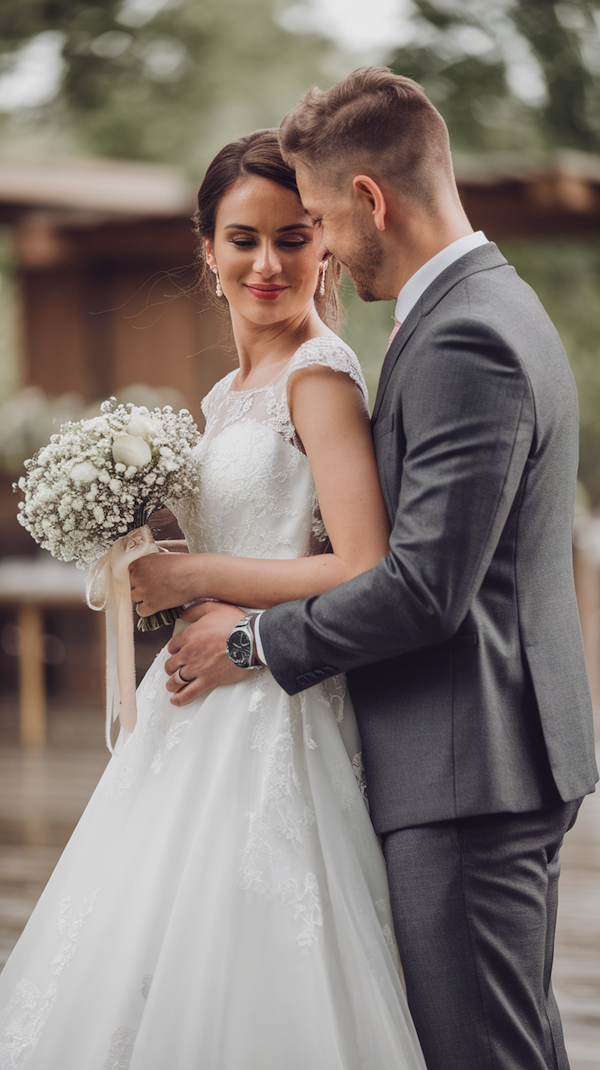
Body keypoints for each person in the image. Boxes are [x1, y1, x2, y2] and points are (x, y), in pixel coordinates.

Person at [165, 69, 599, 1070]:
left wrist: (248, 638)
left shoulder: (465, 339)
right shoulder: (492, 306)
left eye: (314, 217)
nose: (313, 246)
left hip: (465, 766)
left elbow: (423, 589)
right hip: (485, 753)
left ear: (369, 200)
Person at [0, 130, 427, 1070]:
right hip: (192, 704)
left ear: (324, 246)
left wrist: (192, 577)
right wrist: (163, 553)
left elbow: (363, 564)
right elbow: (265, 540)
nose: (267, 264)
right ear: (208, 251)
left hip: (272, 711)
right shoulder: (232, 391)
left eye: (292, 237)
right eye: (243, 239)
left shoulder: (317, 379)